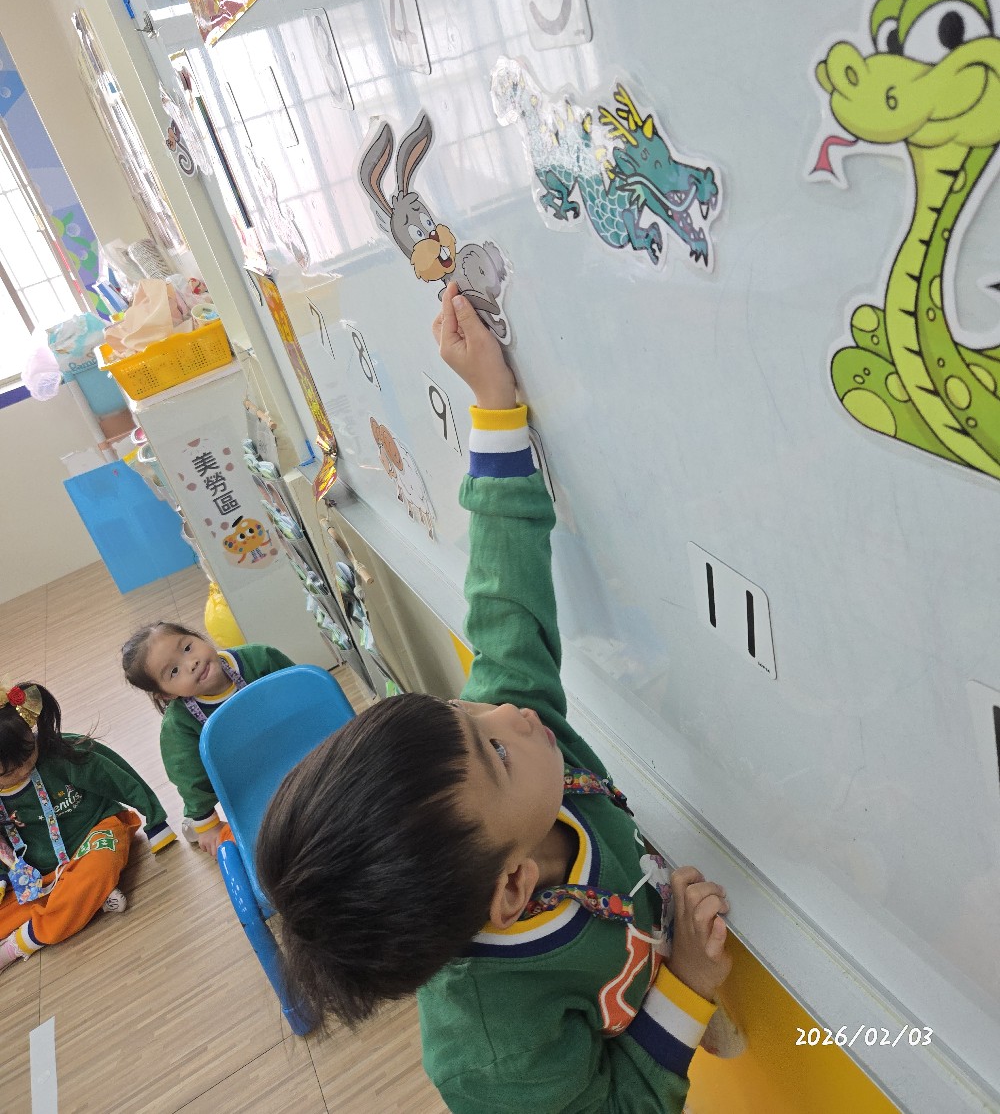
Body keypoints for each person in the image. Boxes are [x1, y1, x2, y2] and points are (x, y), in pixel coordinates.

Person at [257, 282, 732, 1111]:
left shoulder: (497, 771)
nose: (508, 711)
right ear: (511, 888)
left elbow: (504, 601)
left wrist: (494, 405)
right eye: (494, 745)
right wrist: (686, 986)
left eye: (461, 711)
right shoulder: (490, 1051)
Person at [0, 681, 175, 973]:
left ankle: (22, 943)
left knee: (96, 871)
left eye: (28, 754)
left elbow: (117, 776)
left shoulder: (63, 753)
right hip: (39, 872)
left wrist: (155, 820)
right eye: (7, 772)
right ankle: (86, 900)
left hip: (97, 832)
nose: (23, 770)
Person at [121, 623, 292, 854]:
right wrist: (208, 825)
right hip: (247, 784)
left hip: (293, 745)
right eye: (174, 671)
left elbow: (308, 691)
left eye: (187, 648)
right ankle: (194, 823)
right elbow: (190, 778)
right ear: (167, 694)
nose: (191, 663)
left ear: (198, 637)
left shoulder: (260, 659)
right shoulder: (179, 726)